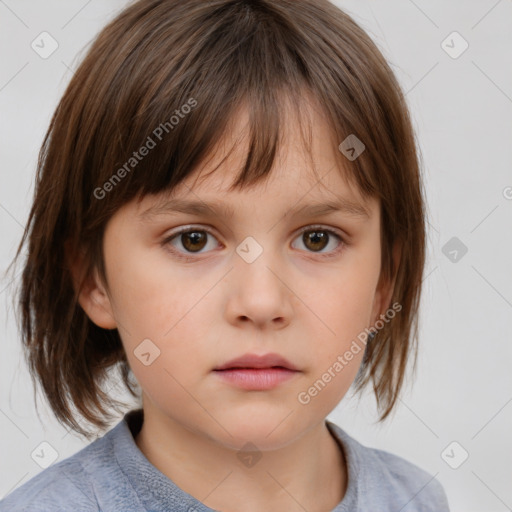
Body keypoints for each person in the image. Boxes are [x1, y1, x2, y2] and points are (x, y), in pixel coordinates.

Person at [0, 0, 450, 510]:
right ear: (92, 280)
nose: (260, 303)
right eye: (193, 239)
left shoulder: (416, 499)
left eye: (317, 239)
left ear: (383, 283)